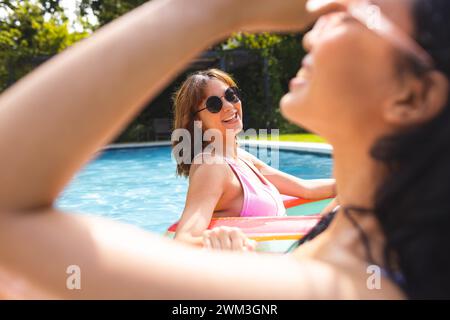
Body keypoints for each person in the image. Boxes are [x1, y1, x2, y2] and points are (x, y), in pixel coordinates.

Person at [0, 0, 448, 299]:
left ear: (411, 97)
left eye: (351, 14)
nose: (312, 29)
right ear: (197, 120)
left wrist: (216, 9)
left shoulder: (319, 284)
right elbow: (190, 233)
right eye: (214, 103)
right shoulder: (366, 238)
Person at [172, 69, 335, 250]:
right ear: (197, 121)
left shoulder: (241, 158)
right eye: (214, 104)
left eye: (230, 95)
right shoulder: (212, 167)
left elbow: (306, 189)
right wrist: (227, 243)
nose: (228, 106)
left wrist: (362, 185)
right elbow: (183, 241)